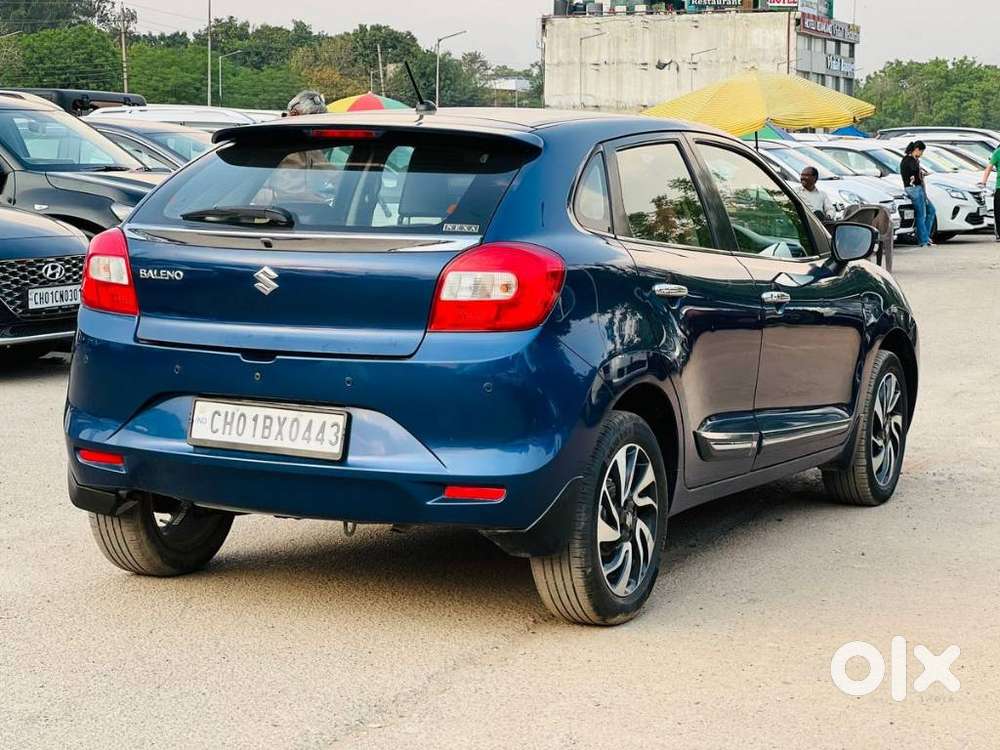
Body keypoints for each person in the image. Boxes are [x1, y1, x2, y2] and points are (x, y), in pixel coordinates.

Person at [254, 90, 331, 205]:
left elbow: (331, 174)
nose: (316, 127)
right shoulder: (270, 142)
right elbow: (254, 187)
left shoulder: (310, 144)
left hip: (308, 210)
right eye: (313, 119)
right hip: (275, 213)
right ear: (294, 114)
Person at [901, 141, 937, 247]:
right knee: (921, 215)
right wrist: (921, 173)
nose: (921, 154)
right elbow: (914, 172)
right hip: (914, 189)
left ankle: (925, 236)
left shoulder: (914, 160)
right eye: (921, 151)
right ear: (916, 149)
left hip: (919, 189)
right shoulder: (908, 160)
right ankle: (923, 240)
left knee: (931, 210)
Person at [978, 143, 1000, 242]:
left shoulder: (997, 152)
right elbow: (989, 168)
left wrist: (983, 181)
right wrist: (983, 181)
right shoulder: (998, 152)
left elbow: (989, 167)